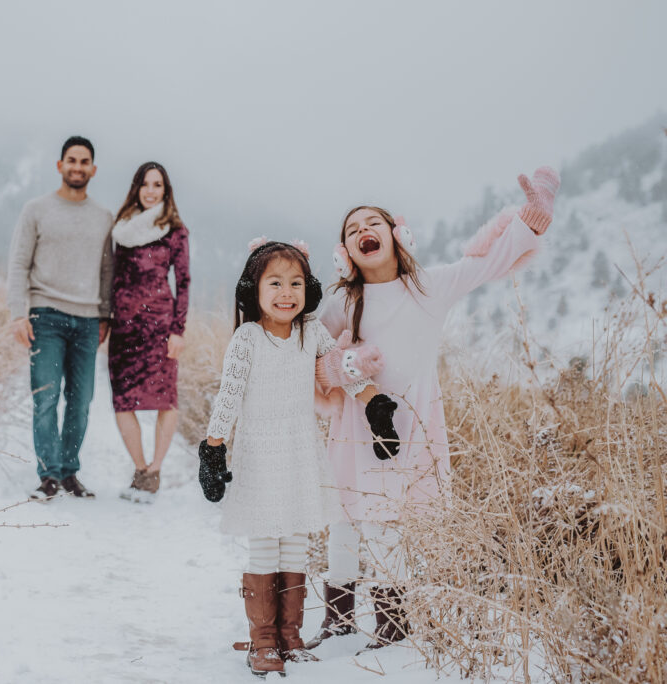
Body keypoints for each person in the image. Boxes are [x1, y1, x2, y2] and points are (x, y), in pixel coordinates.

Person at [306, 167, 561, 652]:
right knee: (342, 520)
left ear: (396, 234)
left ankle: (392, 630)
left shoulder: (429, 285)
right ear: (346, 252)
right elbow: (315, 355)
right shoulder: (344, 301)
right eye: (352, 228)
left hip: (406, 427)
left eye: (372, 223)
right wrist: (342, 367)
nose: (363, 230)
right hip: (352, 426)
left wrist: (533, 218)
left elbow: (487, 262)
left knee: (386, 524)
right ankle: (336, 624)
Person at [196, 240, 400, 677]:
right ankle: (263, 639)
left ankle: (291, 635)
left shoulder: (311, 331)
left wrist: (373, 402)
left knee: (296, 545)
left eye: (295, 283)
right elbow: (228, 396)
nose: (286, 292)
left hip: (300, 453)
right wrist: (213, 448)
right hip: (259, 456)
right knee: (266, 544)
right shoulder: (247, 337)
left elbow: (342, 370)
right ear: (255, 289)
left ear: (307, 288)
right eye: (275, 283)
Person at [6, 136, 114, 500]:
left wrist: (105, 318)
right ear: (59, 165)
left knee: (80, 402)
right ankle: (48, 475)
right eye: (72, 160)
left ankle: (70, 472)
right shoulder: (36, 210)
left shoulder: (103, 218)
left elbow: (107, 272)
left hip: (86, 322)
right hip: (45, 316)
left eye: (85, 162)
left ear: (93, 170)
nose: (78, 167)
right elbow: (19, 263)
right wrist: (16, 314)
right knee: (46, 397)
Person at [107, 161, 190, 502]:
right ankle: (140, 468)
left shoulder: (175, 230)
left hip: (160, 326)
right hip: (124, 328)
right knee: (122, 402)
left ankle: (155, 469)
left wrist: (178, 330)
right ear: (136, 188)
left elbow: (183, 283)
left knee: (165, 399)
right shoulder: (122, 229)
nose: (151, 190)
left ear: (165, 191)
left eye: (157, 184)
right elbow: (113, 277)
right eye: (145, 184)